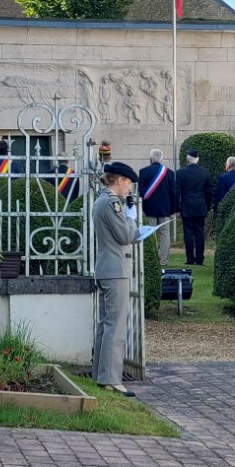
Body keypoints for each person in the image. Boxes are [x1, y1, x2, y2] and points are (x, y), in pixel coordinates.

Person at [92, 162, 140, 398]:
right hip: (116, 269)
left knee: (106, 324)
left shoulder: (103, 201)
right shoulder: (111, 203)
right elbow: (125, 235)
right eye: (128, 183)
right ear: (119, 180)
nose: (129, 188)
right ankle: (111, 378)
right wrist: (132, 219)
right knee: (115, 326)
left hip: (108, 268)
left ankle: (101, 375)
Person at [137, 149, 176, 266]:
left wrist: (142, 207)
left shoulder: (143, 172)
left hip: (149, 208)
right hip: (165, 209)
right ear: (161, 159)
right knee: (165, 235)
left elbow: (141, 192)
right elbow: (173, 193)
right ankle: (163, 260)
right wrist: (173, 210)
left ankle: (151, 259)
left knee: (149, 234)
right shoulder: (170, 173)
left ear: (150, 159)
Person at [176, 149, 211, 266]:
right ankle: (200, 258)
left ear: (187, 159)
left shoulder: (180, 173)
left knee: (188, 233)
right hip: (201, 206)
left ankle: (190, 258)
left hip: (187, 206)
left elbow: (177, 192)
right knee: (200, 233)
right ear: (198, 159)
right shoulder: (205, 172)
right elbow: (208, 192)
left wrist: (177, 208)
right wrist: (208, 205)